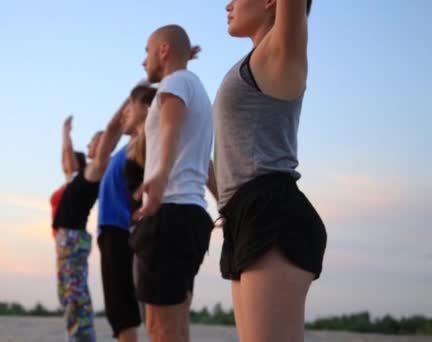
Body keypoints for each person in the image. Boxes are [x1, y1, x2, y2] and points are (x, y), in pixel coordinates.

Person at [212, 1, 327, 341]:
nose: (228, 4)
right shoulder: (251, 62)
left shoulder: (280, 52)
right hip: (242, 217)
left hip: (272, 213)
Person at [130, 25, 214, 342]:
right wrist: (226, 205)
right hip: (191, 216)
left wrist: (159, 179)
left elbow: (169, 129)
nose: (143, 61)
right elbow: (203, 162)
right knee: (176, 326)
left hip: (169, 214)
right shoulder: (195, 86)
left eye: (147, 51)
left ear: (163, 50)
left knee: (159, 329)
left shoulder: (175, 83)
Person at [96, 83, 156, 342]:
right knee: (120, 312)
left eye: (130, 108)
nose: (124, 114)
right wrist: (132, 98)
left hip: (120, 230)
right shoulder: (127, 147)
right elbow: (112, 130)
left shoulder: (145, 144)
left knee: (123, 312)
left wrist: (141, 94)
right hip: (112, 231)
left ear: (145, 109)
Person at [52, 113, 116, 341]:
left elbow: (104, 146)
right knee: (69, 295)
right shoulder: (83, 174)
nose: (88, 144)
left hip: (72, 238)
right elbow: (67, 159)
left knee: (74, 295)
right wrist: (65, 133)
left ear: (100, 145)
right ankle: (78, 337)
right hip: (68, 239)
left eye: (92, 140)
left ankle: (82, 338)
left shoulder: (96, 170)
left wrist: (66, 132)